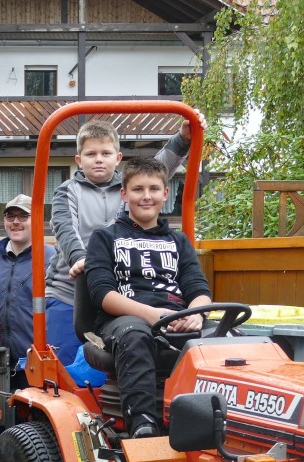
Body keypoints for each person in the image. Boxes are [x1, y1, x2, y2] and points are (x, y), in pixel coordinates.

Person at [46, 115, 198, 365]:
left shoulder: (129, 188)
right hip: (70, 291)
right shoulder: (67, 191)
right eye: (91, 154)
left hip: (118, 294)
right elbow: (64, 228)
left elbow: (157, 169)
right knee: (67, 366)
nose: (98, 159)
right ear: (78, 160)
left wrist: (182, 140)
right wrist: (82, 259)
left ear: (117, 158)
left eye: (105, 153)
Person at [84, 158, 212, 439]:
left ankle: (220, 420)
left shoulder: (178, 242)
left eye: (154, 189)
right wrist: (154, 315)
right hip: (123, 320)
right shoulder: (105, 238)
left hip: (177, 318)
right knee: (135, 335)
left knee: (232, 337)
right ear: (124, 194)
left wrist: (195, 314)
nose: (146, 196)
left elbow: (198, 289)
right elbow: (102, 294)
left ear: (165, 194)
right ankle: (143, 424)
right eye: (138, 189)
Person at [0, 194, 55, 392]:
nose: (16, 222)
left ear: (37, 220)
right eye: (10, 216)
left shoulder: (52, 260)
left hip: (37, 364)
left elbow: (58, 310)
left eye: (23, 216)